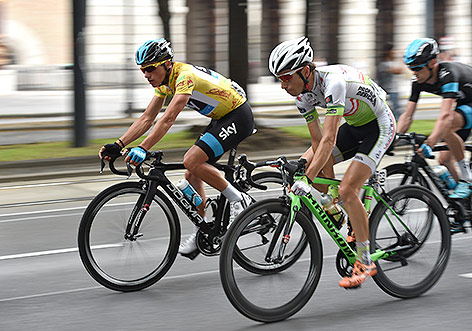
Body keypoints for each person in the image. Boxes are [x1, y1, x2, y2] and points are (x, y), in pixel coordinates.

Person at [99, 38, 253, 258]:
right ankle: (203, 229)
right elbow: (147, 118)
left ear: (167, 64)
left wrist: (142, 148)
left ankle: (239, 199)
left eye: (150, 69)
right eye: (143, 70)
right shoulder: (164, 83)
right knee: (192, 172)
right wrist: (118, 144)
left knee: (192, 159)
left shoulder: (184, 76)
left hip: (238, 115)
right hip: (220, 117)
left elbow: (168, 118)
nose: (146, 75)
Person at [268, 37, 396, 288]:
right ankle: (336, 210)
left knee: (348, 189)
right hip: (356, 126)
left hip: (380, 126)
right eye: (278, 79)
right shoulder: (302, 95)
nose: (282, 85)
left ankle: (365, 259)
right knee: (303, 167)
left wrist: (309, 180)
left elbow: (329, 139)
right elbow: (316, 141)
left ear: (305, 71)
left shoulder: (333, 83)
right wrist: (316, 183)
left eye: (285, 78)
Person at [397, 38, 472, 201]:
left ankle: (467, 180)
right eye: (411, 68)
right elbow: (407, 115)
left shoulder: (448, 74)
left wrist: (430, 143)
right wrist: (394, 138)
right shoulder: (417, 81)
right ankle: (464, 207)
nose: (414, 72)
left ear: (432, 63)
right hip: (465, 104)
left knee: (448, 124)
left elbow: (446, 115)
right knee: (444, 160)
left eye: (417, 68)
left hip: (467, 105)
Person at [377, 42, 404, 120]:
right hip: (388, 92)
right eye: (393, 50)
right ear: (388, 52)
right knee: (394, 111)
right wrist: (402, 58)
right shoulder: (383, 65)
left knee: (395, 111)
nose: (394, 52)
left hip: (393, 91)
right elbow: (398, 71)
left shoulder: (391, 63)